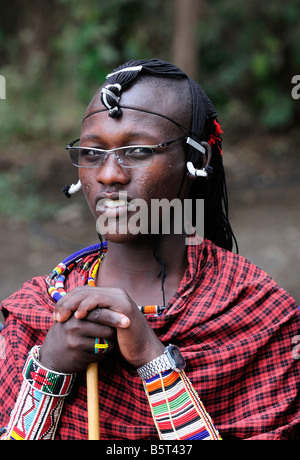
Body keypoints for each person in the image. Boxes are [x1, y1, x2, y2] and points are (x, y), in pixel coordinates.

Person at [0, 59, 299, 441]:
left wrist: (151, 358)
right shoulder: (37, 313)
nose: (109, 174)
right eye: (92, 153)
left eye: (138, 151)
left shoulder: (256, 312)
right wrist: (50, 369)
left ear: (197, 160)